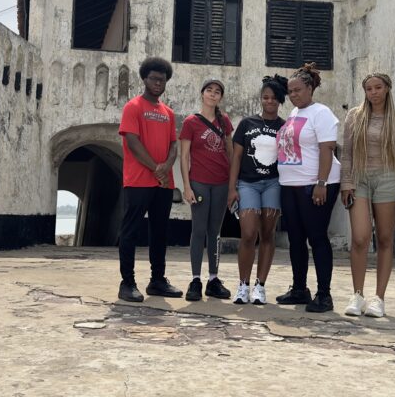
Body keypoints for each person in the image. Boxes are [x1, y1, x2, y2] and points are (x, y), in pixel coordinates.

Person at [340, 73, 395, 318]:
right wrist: (346, 183)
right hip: (360, 178)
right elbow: (347, 153)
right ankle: (357, 294)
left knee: (384, 239)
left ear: (387, 89)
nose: (373, 92)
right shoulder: (355, 116)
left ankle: (379, 298)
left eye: (378, 87)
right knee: (360, 238)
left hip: (389, 179)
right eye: (369, 88)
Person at [275, 63, 342, 312]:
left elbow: (327, 148)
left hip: (315, 185)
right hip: (290, 184)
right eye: (290, 91)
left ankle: (324, 295)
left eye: (298, 90)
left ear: (310, 88)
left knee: (316, 237)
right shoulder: (293, 114)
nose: (293, 95)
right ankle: (299, 289)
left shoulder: (321, 113)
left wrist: (321, 183)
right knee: (295, 239)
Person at [116, 57, 184, 303]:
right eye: (154, 78)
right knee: (130, 231)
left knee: (160, 232)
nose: (158, 83)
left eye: (162, 80)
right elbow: (132, 142)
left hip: (163, 183)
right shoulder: (133, 107)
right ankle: (127, 282)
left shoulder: (168, 113)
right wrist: (156, 168)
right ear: (144, 79)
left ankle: (157, 280)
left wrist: (166, 167)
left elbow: (173, 145)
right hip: (138, 180)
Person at [227, 75, 289, 305]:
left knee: (267, 234)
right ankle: (243, 284)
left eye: (273, 98)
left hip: (273, 183)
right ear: (261, 99)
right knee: (248, 233)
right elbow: (236, 157)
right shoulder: (247, 124)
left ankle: (260, 286)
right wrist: (231, 188)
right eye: (265, 97)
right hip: (248, 183)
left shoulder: (284, 127)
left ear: (280, 100)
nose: (269, 101)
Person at [180, 79, 234, 301]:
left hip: (221, 183)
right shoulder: (191, 122)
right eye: (209, 90)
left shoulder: (225, 121)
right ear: (202, 94)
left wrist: (233, 184)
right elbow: (184, 156)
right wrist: (186, 186)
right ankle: (195, 280)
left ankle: (213, 279)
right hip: (199, 182)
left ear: (220, 97)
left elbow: (230, 153)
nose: (213, 94)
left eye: (217, 92)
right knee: (199, 231)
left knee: (215, 232)